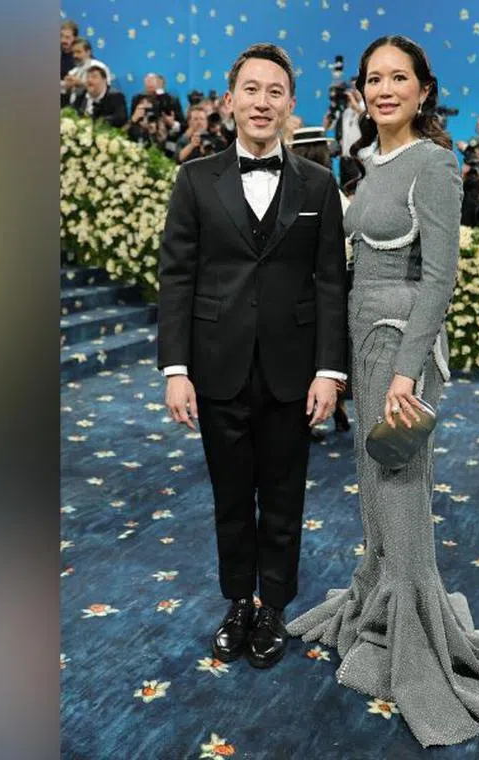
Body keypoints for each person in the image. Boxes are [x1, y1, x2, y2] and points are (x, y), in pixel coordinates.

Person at [286, 35, 479, 747]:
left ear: (424, 89)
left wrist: (406, 369)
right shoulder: (372, 161)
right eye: (374, 79)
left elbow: (439, 277)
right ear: (361, 92)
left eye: (400, 78)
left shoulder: (435, 163)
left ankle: (416, 634)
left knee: (400, 486)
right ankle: (382, 601)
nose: (385, 89)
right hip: (365, 342)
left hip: (402, 351)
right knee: (374, 485)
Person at [157, 43, 348, 670]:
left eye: (275, 92)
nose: (262, 102)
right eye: (251, 89)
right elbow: (177, 278)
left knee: (285, 497)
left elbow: (331, 282)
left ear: (290, 104)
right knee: (231, 498)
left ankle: (274, 607)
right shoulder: (194, 179)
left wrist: (330, 370)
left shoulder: (319, 183)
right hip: (217, 366)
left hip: (294, 372)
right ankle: (238, 601)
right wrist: (176, 369)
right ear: (229, 100)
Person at [289, 126, 352, 436]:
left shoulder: (288, 189)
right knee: (330, 345)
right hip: (331, 282)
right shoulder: (332, 192)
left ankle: (311, 411)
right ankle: (334, 406)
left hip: (297, 285)